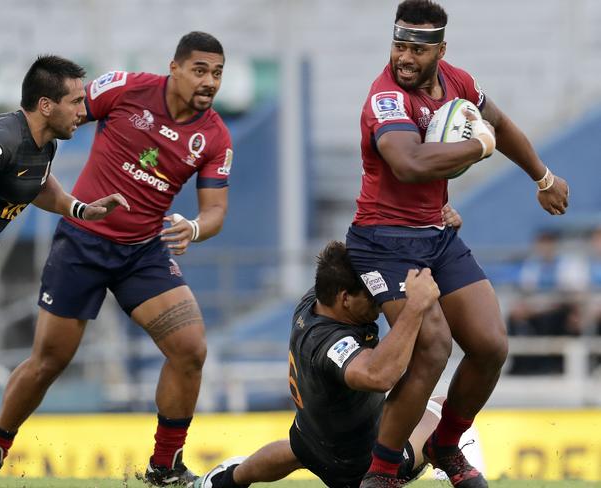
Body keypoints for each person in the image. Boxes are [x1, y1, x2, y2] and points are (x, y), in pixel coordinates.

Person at [0, 32, 232, 488]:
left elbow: (216, 211)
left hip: (143, 251)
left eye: (218, 73)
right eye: (200, 70)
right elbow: (59, 120)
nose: (210, 82)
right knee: (49, 361)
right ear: (175, 68)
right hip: (82, 243)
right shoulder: (126, 89)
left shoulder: (215, 136)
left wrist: (197, 227)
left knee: (190, 350)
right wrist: (18, 163)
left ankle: (164, 467)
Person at [344, 1, 570, 487]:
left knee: (490, 345)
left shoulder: (458, 82)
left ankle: (446, 446)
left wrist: (543, 176)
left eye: (416, 50)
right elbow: (407, 163)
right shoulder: (385, 96)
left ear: (440, 51)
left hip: (437, 237)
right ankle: (382, 471)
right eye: (398, 45)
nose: (403, 58)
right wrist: (476, 146)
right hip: (383, 243)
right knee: (432, 348)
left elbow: (501, 124)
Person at [192, 239, 446, 488]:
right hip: (361, 465)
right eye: (371, 296)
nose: (380, 304)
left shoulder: (316, 299)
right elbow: (379, 376)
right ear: (345, 298)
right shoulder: (332, 345)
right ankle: (451, 469)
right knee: (446, 407)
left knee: (300, 449)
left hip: (313, 439)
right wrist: (414, 308)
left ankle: (227, 479)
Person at [0, 55, 128, 396]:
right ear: (46, 105)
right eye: (76, 101)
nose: (83, 110)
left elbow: (38, 184)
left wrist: (80, 209)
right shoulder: (4, 137)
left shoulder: (44, 145)